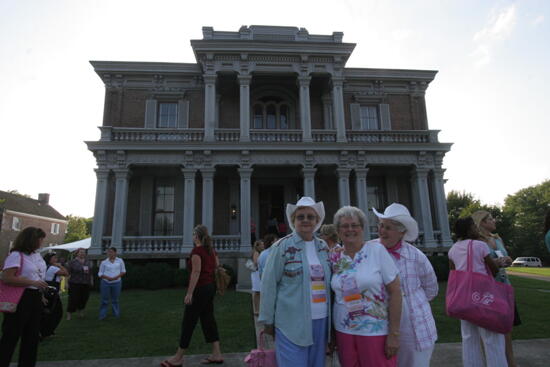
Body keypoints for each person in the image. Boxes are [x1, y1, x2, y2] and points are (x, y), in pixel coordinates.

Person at [259, 196, 331, 367]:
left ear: (317, 220)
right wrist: (268, 320)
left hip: (321, 320)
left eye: (310, 216)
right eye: (300, 217)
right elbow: (269, 285)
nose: (305, 220)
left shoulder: (323, 247)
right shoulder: (282, 247)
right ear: (293, 220)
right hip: (291, 322)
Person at [330, 206, 402, 367]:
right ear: (338, 231)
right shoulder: (335, 257)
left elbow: (396, 292)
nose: (350, 229)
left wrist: (394, 334)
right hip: (344, 331)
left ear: (362, 228)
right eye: (345, 226)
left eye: (354, 225)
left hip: (375, 331)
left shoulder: (377, 251)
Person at [372, 203, 438, 367]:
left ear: (402, 231)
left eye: (388, 227)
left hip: (415, 325)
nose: (382, 231)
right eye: (380, 226)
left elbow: (431, 288)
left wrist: (412, 303)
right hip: (379, 322)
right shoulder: (370, 250)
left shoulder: (416, 256)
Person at [448, 217, 506, 367]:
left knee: (469, 338)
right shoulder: (480, 246)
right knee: (492, 337)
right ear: (469, 229)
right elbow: (493, 270)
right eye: (474, 226)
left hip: (463, 298)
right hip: (483, 296)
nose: (476, 228)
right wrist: (498, 263)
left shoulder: (453, 249)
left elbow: (454, 273)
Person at [162, 225, 223, 367]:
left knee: (188, 321)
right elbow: (217, 266)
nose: (192, 236)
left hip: (200, 289)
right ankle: (217, 353)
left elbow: (196, 272)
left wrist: (189, 293)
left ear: (197, 236)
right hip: (210, 288)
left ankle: (178, 358)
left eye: (193, 234)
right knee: (208, 319)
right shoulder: (211, 251)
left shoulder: (197, 251)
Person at [472, 210, 519, 367]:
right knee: (488, 329)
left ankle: (511, 362)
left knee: (507, 327)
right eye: (491, 219)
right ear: (482, 222)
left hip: (505, 286)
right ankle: (489, 361)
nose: (494, 221)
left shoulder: (497, 238)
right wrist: (495, 263)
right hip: (488, 289)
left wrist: (508, 260)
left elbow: (507, 256)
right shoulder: (477, 242)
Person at [0, 227, 48, 367]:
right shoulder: (16, 255)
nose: (41, 242)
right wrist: (32, 282)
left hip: (35, 296)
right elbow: (7, 277)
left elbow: (37, 274)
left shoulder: (36, 255)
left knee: (32, 337)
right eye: (40, 239)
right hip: (21, 297)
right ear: (31, 240)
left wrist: (40, 293)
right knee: (11, 335)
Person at [40, 252, 68, 339]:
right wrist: (59, 265)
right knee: (57, 312)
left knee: (47, 311)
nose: (56, 259)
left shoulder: (45, 267)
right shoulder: (52, 268)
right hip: (52, 292)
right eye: (54, 258)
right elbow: (66, 273)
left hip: (46, 291)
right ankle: (47, 332)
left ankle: (45, 331)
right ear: (50, 259)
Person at [98, 247, 126, 320]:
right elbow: (100, 273)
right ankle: (102, 315)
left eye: (111, 252)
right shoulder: (104, 262)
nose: (110, 253)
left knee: (115, 300)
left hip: (117, 283)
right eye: (108, 252)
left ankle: (116, 314)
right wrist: (107, 278)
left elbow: (123, 271)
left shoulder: (120, 261)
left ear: (115, 253)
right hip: (105, 283)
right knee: (104, 300)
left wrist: (116, 277)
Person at [66, 248, 93, 320]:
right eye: (81, 252)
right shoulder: (72, 262)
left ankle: (80, 312)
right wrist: (66, 283)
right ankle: (69, 314)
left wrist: (91, 281)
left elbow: (90, 273)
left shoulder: (88, 262)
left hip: (85, 283)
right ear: (77, 253)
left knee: (84, 298)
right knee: (73, 299)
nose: (82, 253)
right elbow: (68, 273)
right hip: (75, 283)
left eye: (84, 252)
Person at [251, 240, 264, 316]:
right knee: (257, 292)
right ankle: (256, 309)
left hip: (260, 272)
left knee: (261, 292)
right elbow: (256, 262)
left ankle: (260, 309)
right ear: (258, 246)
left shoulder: (262, 252)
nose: (263, 246)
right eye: (261, 244)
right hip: (256, 274)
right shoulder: (256, 253)